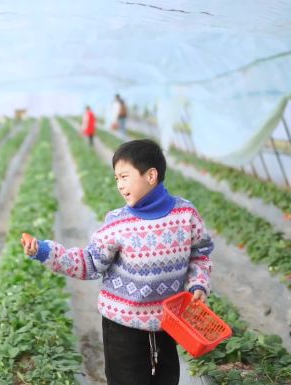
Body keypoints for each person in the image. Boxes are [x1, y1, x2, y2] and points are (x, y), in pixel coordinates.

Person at [21, 139, 213, 385]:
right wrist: (45, 251)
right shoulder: (117, 222)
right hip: (123, 327)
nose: (120, 186)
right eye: (116, 179)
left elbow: (200, 253)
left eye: (124, 176)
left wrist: (198, 284)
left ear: (151, 175)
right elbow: (89, 263)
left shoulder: (185, 215)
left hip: (168, 324)